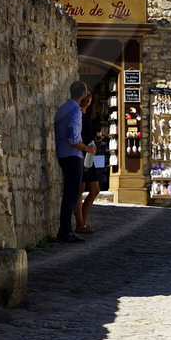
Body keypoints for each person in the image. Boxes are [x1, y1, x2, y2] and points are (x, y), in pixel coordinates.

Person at [54, 81, 96, 243]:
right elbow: (73, 138)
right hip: (72, 156)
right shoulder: (76, 111)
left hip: (62, 154)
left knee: (70, 194)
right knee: (72, 195)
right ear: (83, 94)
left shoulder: (63, 108)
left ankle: (65, 230)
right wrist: (87, 149)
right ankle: (65, 231)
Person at [76, 89, 104, 234]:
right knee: (80, 190)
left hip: (89, 154)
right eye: (85, 95)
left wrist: (96, 140)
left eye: (90, 96)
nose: (88, 98)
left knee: (94, 190)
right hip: (82, 154)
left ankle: (82, 223)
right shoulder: (78, 114)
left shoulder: (87, 115)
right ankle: (80, 224)